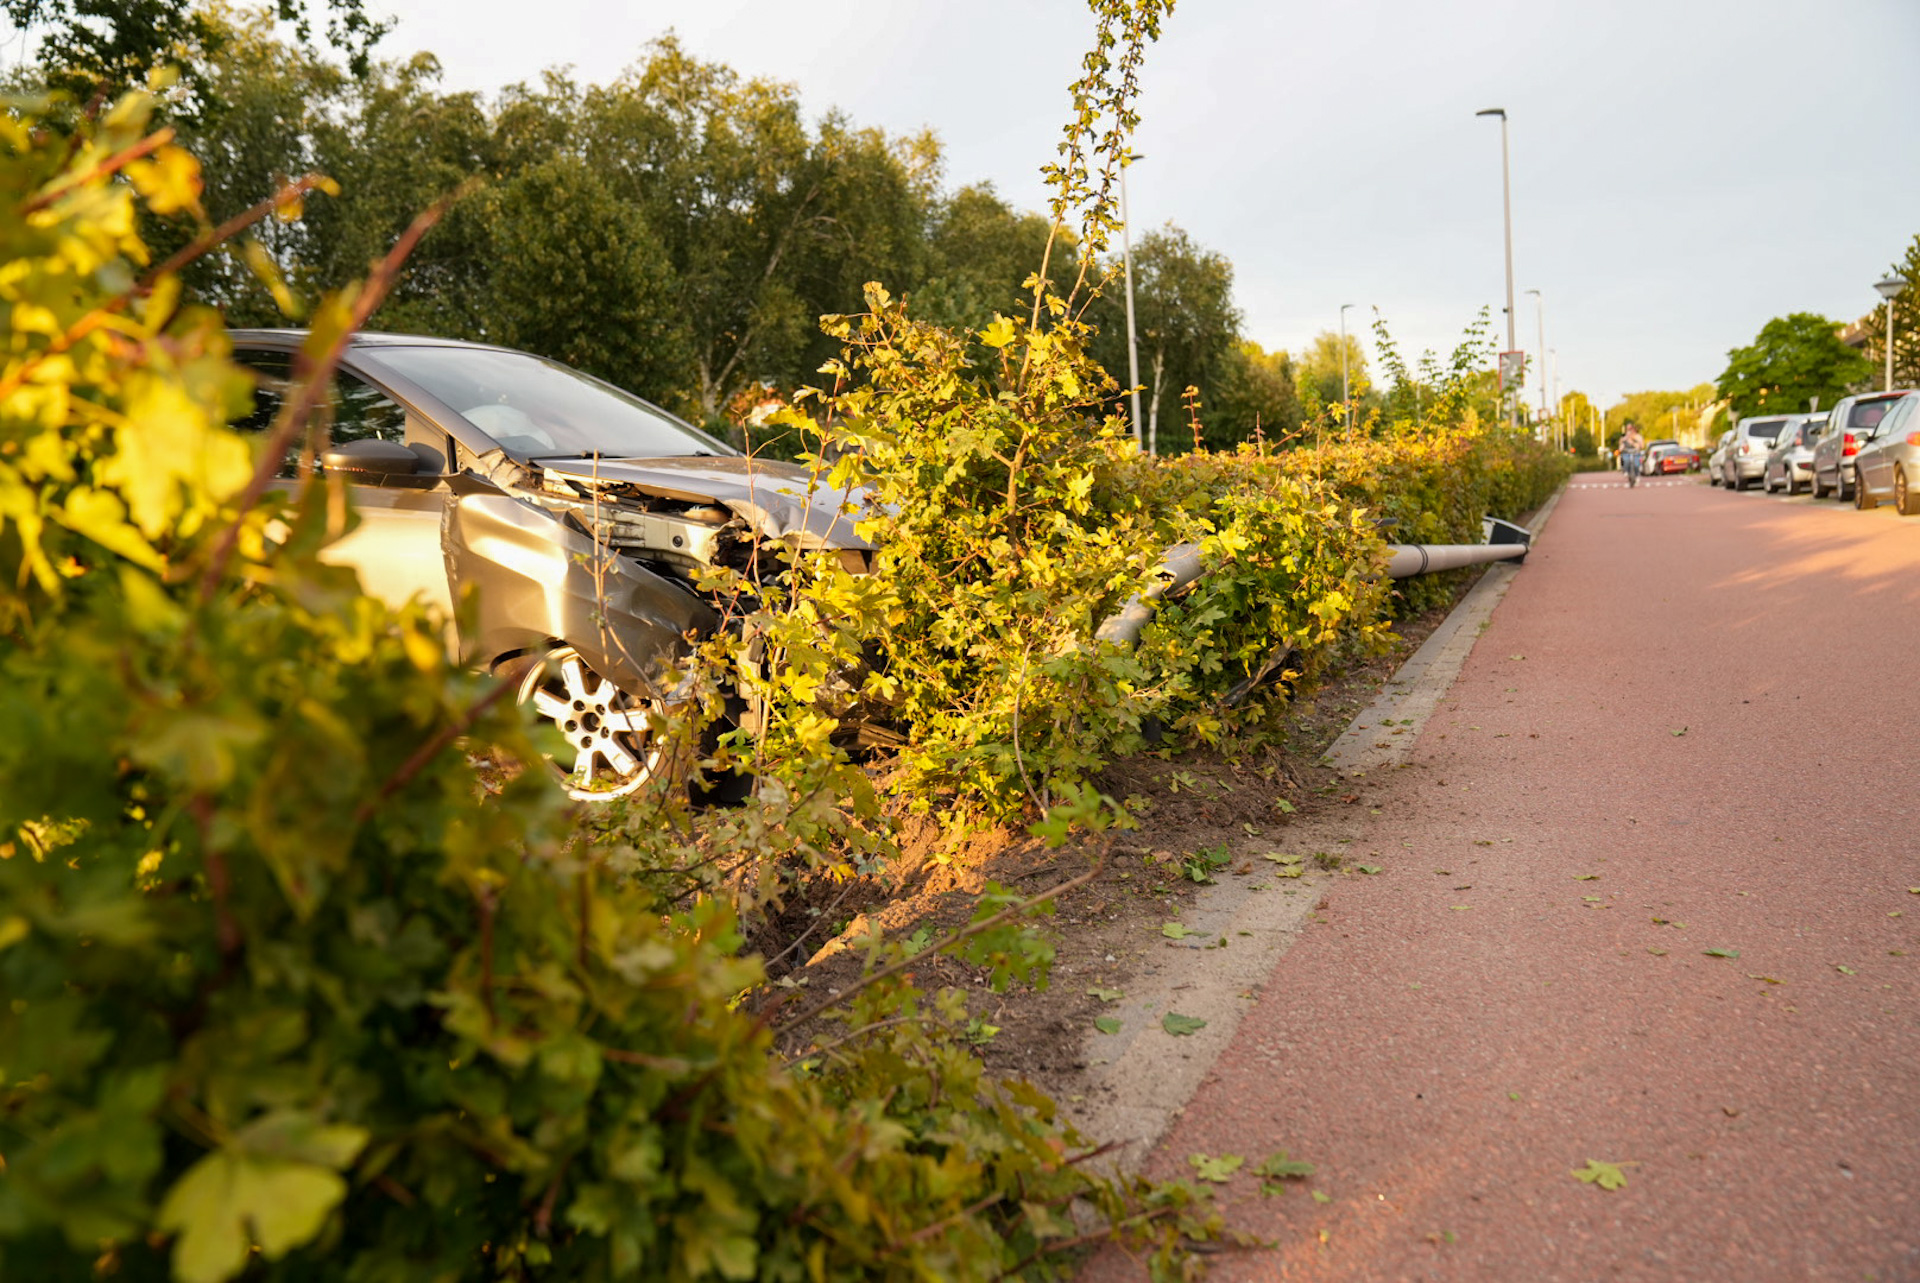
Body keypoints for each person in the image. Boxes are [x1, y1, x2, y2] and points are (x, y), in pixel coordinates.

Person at [1619, 420, 1646, 487]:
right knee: (1626, 460)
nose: (1630, 431)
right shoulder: (1624, 438)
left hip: (1636, 453)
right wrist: (1621, 446)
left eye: (1631, 429)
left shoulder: (1638, 437)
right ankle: (1626, 472)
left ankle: (1637, 476)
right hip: (1627, 453)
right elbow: (1621, 446)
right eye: (1628, 429)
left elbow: (1642, 446)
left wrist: (1633, 442)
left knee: (1637, 465)